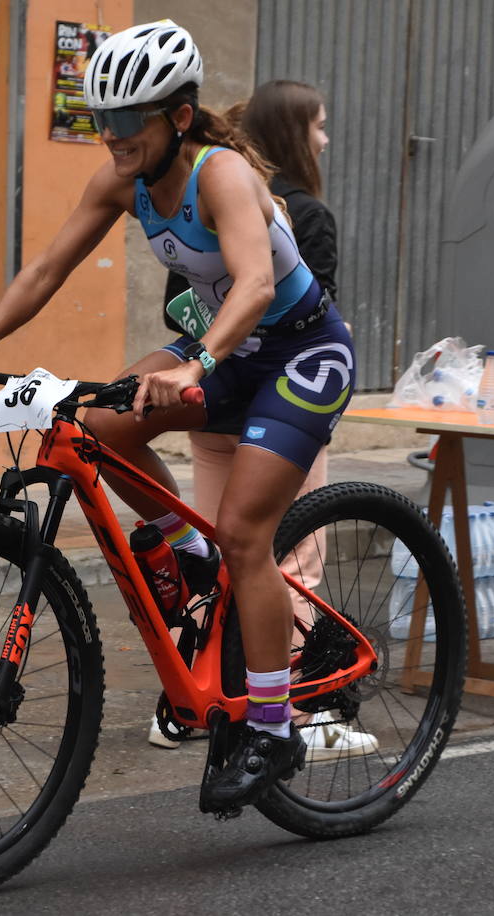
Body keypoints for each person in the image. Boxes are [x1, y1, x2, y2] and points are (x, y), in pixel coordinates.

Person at [0, 21, 356, 812]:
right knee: (92, 424)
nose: (112, 138)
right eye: (102, 122)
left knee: (248, 535)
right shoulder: (123, 180)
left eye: (128, 123)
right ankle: (190, 554)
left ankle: (272, 726)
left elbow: (257, 283)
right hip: (217, 345)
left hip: (299, 352)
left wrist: (197, 365)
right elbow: (47, 269)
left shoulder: (220, 174)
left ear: (178, 118)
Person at [147, 80, 377, 765]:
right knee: (290, 558)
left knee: (216, 558)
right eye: (320, 126)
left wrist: (202, 355)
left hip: (210, 392)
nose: (325, 140)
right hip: (276, 388)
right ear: (294, 135)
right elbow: (307, 304)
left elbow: (177, 302)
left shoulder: (196, 194)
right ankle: (301, 710)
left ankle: (191, 701)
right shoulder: (300, 211)